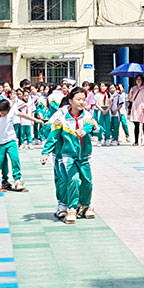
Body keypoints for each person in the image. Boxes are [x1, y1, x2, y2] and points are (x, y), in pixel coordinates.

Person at [42, 87, 96, 223]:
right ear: (70, 101)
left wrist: (92, 128)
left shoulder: (87, 115)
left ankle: (84, 205)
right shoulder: (60, 116)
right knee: (70, 180)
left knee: (87, 182)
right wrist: (45, 152)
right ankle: (68, 207)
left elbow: (96, 128)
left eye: (84, 99)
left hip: (83, 155)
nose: (82, 102)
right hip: (64, 155)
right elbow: (50, 133)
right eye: (78, 99)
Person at [129, 76, 144, 145]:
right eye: (137, 79)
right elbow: (130, 99)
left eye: (140, 79)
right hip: (135, 107)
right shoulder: (133, 88)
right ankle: (136, 141)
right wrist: (130, 92)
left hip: (142, 107)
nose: (138, 81)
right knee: (136, 125)